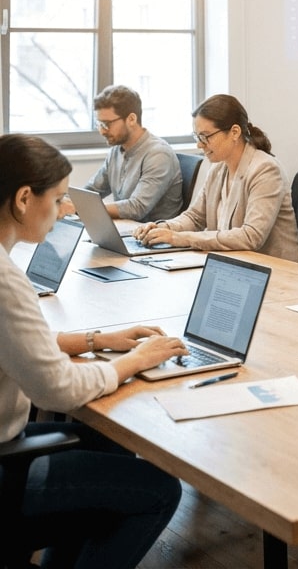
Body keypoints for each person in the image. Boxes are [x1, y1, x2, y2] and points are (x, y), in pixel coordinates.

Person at [0, 133, 188, 568]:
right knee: (160, 490)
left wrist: (95, 341)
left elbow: (14, 344)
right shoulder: (7, 281)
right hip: (6, 466)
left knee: (110, 447)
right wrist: (134, 361)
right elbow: (57, 391)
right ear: (25, 198)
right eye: (60, 199)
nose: (65, 211)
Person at [132, 95, 298, 264]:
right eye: (197, 136)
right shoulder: (218, 168)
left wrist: (180, 238)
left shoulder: (265, 169)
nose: (199, 144)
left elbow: (251, 236)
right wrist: (164, 228)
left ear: (234, 132)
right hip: (238, 265)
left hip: (281, 271)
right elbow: (195, 217)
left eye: (205, 136)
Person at [75, 85, 184, 222]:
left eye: (107, 124)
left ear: (131, 119)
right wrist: (62, 203)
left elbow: (136, 208)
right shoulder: (116, 150)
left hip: (153, 236)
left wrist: (82, 208)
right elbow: (91, 191)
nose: (102, 131)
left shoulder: (158, 154)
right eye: (99, 124)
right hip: (127, 231)